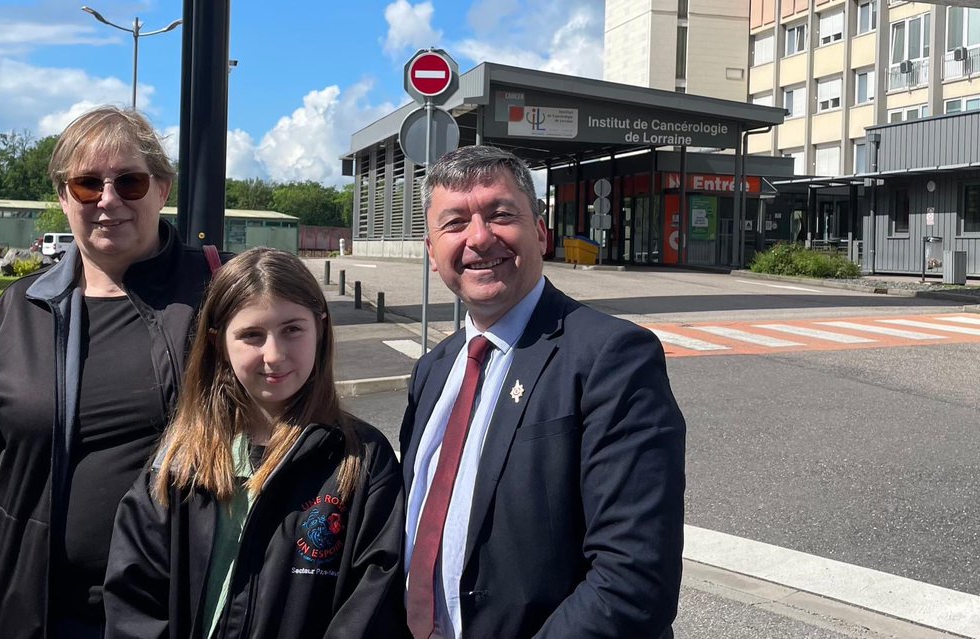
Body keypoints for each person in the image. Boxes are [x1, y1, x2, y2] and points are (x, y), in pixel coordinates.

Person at [0, 105, 226, 638]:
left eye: (129, 182)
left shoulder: (216, 298)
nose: (108, 200)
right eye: (87, 185)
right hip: (34, 613)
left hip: (176, 613)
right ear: (64, 197)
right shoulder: (19, 314)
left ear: (162, 188)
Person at [400, 145, 686, 638]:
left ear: (540, 230)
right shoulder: (433, 370)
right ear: (431, 250)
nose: (479, 238)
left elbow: (634, 579)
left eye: (501, 214)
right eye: (454, 223)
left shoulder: (613, 357)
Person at [103, 247, 406, 639]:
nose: (274, 355)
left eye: (292, 330)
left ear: (321, 329)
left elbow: (371, 609)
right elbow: (134, 598)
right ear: (218, 344)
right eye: (251, 335)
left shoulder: (360, 461)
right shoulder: (180, 458)